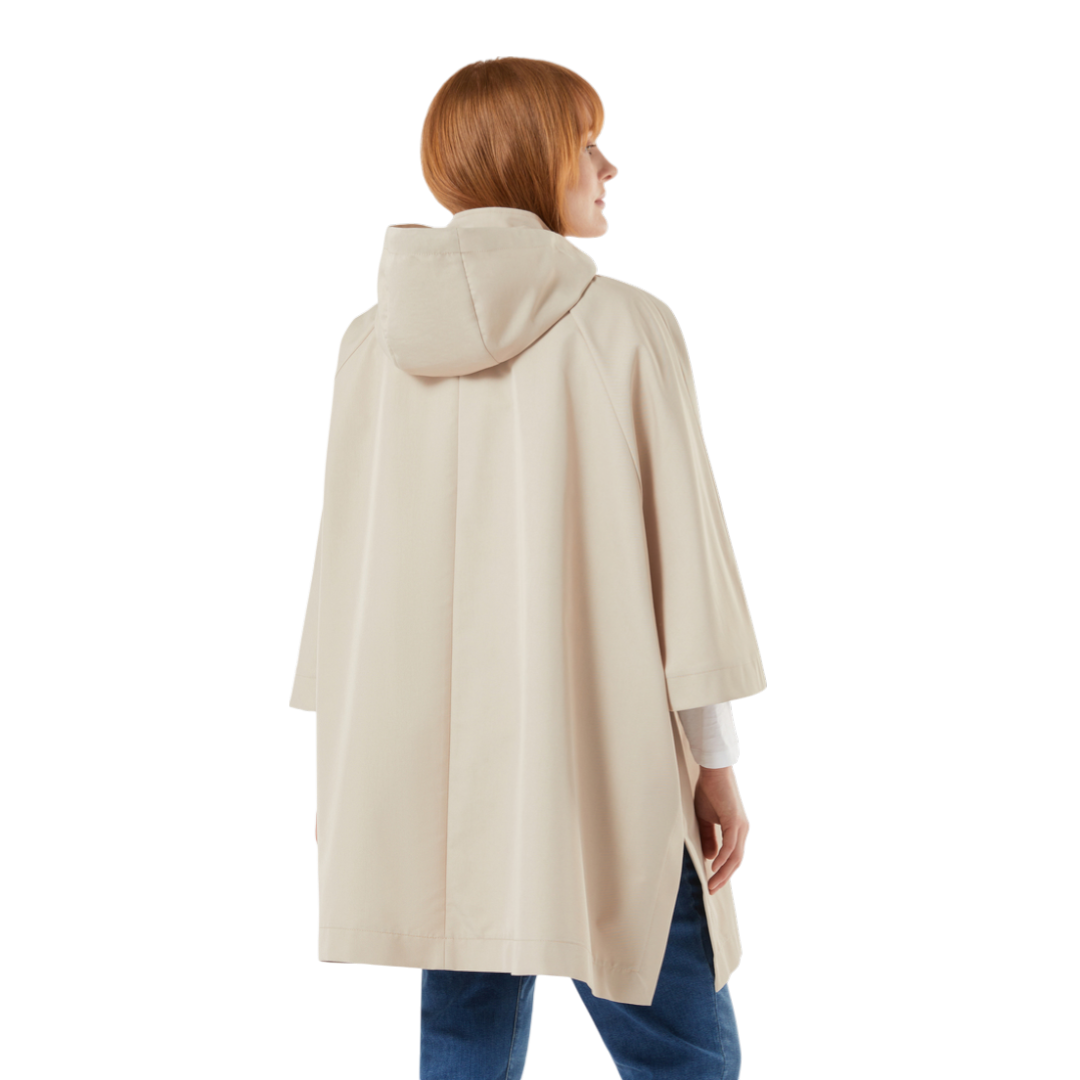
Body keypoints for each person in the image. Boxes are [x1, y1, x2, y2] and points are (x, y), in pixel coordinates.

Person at [292, 56, 764, 1080]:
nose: (610, 169)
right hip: (605, 754)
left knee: (463, 1039)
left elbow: (344, 585)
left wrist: (342, 771)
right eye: (586, 143)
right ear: (527, 158)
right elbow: (683, 567)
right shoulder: (626, 326)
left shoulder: (370, 346)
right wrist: (714, 762)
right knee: (679, 1042)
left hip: (427, 769)